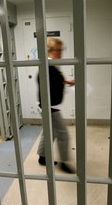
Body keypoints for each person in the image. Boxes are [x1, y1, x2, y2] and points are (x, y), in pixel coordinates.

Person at [36, 37, 75, 174]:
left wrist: (66, 82)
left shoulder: (51, 65)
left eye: (61, 50)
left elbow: (53, 82)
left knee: (49, 132)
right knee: (63, 134)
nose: (60, 53)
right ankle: (64, 163)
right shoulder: (48, 66)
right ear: (49, 51)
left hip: (48, 106)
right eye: (57, 50)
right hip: (50, 108)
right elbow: (44, 85)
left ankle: (42, 157)